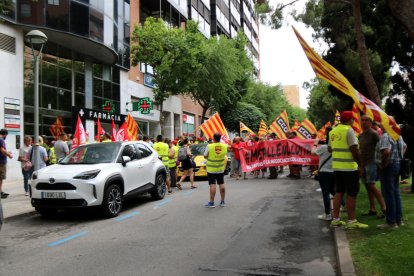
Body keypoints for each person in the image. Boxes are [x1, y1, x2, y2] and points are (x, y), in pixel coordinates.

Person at [329, 111, 368, 229]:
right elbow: (354, 149)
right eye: (353, 119)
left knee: (338, 192)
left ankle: (335, 219)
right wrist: (361, 165)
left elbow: (330, 149)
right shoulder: (349, 130)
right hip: (349, 168)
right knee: (352, 194)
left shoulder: (333, 131)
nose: (354, 121)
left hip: (337, 167)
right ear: (350, 120)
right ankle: (351, 221)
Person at [376, 125, 407, 229]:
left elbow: (386, 151)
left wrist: (383, 163)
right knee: (396, 193)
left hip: (388, 166)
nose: (381, 125)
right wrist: (399, 156)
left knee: (388, 194)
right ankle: (399, 220)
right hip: (397, 165)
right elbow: (405, 146)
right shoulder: (398, 135)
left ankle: (391, 222)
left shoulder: (386, 136)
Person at [359, 115, 386, 218]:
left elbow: (380, 148)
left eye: (366, 120)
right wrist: (360, 165)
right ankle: (372, 209)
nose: (364, 122)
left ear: (370, 123)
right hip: (363, 163)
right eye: (362, 120)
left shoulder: (374, 134)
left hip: (372, 162)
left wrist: (379, 163)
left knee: (371, 185)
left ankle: (384, 208)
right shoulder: (360, 135)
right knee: (367, 186)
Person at [312, 127, 335, 220]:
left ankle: (327, 215)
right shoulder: (337, 147)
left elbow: (313, 153)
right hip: (334, 172)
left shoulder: (323, 147)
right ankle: (344, 205)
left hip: (324, 173)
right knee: (334, 191)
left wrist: (315, 144)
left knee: (326, 194)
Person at [204, 132, 228, 208]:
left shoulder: (209, 146)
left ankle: (212, 203)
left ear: (213, 138)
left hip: (211, 169)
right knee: (221, 184)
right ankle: (222, 201)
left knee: (212, 184)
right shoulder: (224, 146)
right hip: (220, 168)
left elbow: (205, 156)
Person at [0, 129, 13, 198]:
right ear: (5, 134)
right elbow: (2, 150)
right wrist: (9, 155)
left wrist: (7, 152)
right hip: (1, 162)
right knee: (1, 178)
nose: (6, 136)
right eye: (6, 135)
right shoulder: (1, 140)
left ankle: (1, 191)